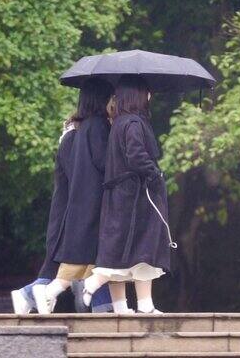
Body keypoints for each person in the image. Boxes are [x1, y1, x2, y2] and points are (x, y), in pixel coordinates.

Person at [11, 78, 113, 314]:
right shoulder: (87, 131)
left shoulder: (77, 131)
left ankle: (103, 307)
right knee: (73, 262)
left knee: (92, 259)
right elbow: (90, 172)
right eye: (111, 98)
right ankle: (33, 292)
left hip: (73, 209)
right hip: (73, 210)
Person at [81, 75, 176, 314]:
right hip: (135, 196)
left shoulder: (120, 122)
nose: (150, 96)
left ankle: (141, 305)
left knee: (136, 250)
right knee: (136, 248)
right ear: (138, 95)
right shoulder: (133, 123)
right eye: (146, 91)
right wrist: (155, 173)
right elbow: (136, 156)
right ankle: (94, 282)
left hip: (123, 194)